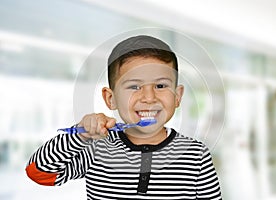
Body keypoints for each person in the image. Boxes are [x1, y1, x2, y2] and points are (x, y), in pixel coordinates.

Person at [26, 35, 222, 199]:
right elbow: (38, 172)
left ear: (177, 96)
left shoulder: (197, 155)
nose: (149, 97)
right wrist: (80, 136)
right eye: (134, 86)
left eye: (160, 86)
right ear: (110, 99)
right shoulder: (97, 148)